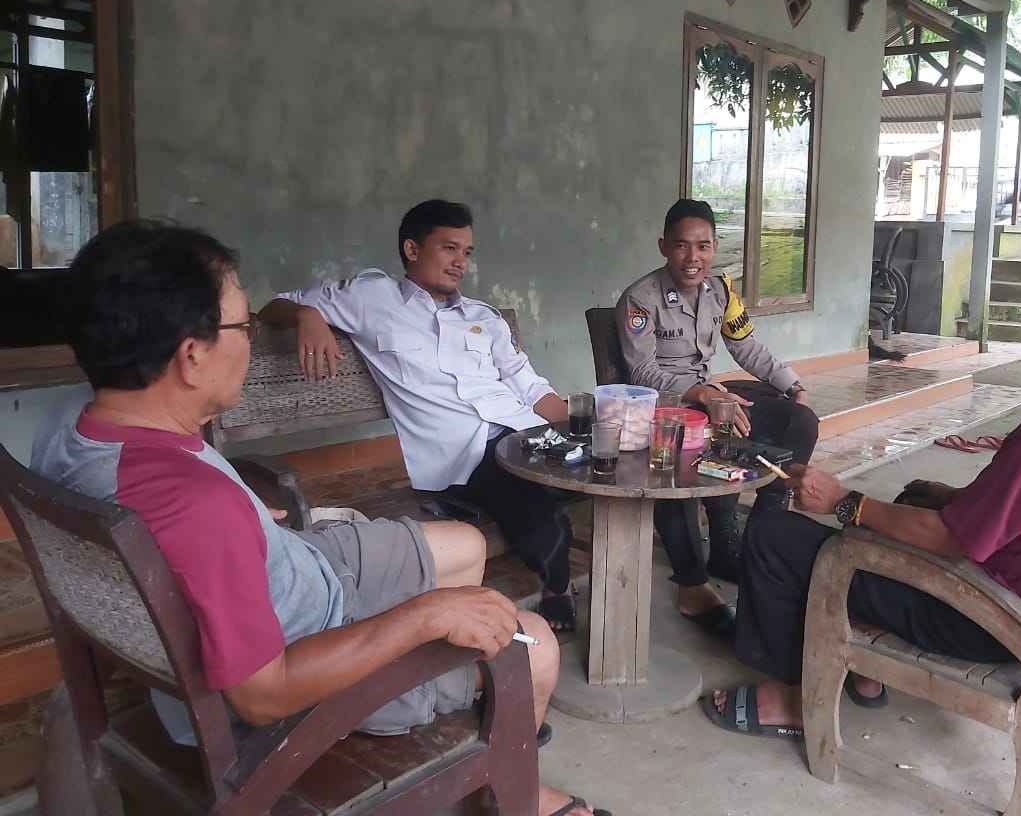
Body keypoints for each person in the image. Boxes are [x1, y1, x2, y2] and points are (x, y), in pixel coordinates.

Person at [31, 220, 609, 816]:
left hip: (296, 571)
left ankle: (462, 717)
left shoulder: (76, 424)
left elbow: (180, 516)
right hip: (310, 653)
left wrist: (241, 518)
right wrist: (423, 617)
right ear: (192, 356)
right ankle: (509, 788)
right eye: (243, 327)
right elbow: (265, 695)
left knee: (466, 544)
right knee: (533, 644)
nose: (250, 339)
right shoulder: (199, 507)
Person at [703, 232, 1021, 739]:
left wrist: (844, 502)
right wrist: (952, 500)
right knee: (911, 500)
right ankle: (865, 664)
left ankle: (789, 698)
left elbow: (950, 540)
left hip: (989, 620)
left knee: (775, 536)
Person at [259, 200, 579, 632]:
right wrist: (307, 314)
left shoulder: (483, 318)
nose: (461, 262)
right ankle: (557, 587)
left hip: (526, 434)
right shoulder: (372, 298)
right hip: (462, 456)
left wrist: (583, 424)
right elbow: (275, 305)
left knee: (607, 468)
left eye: (467, 252)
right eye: (449, 248)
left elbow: (530, 386)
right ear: (412, 249)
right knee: (536, 501)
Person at [616, 199, 819, 638]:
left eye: (703, 246)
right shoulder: (641, 299)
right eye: (682, 246)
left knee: (799, 421)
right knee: (681, 455)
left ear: (714, 247)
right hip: (665, 407)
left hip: (711, 399)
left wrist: (792, 385)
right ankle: (692, 584)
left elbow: (746, 347)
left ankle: (760, 540)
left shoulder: (720, 290)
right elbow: (642, 372)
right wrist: (704, 395)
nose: (693, 258)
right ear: (664, 247)